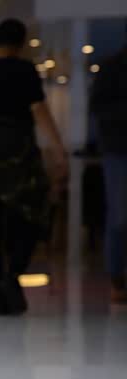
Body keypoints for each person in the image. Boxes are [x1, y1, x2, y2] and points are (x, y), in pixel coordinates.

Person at [0, 18, 68, 315]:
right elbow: (39, 111)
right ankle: (13, 273)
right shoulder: (25, 71)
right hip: (21, 160)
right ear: (22, 44)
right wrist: (58, 149)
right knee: (29, 218)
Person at [90, 36, 127, 304]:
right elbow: (98, 107)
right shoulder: (113, 68)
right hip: (118, 148)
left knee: (119, 214)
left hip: (116, 147)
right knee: (119, 215)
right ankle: (116, 278)